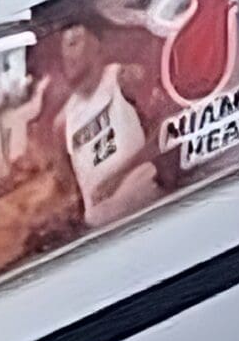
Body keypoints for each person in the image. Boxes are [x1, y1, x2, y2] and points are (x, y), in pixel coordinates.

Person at [54, 18, 162, 230]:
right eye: (63, 47)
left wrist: (118, 177)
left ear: (97, 44)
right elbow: (72, 193)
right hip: (103, 231)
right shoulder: (63, 120)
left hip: (146, 208)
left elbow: (164, 135)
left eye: (74, 41)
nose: (67, 54)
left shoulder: (124, 77)